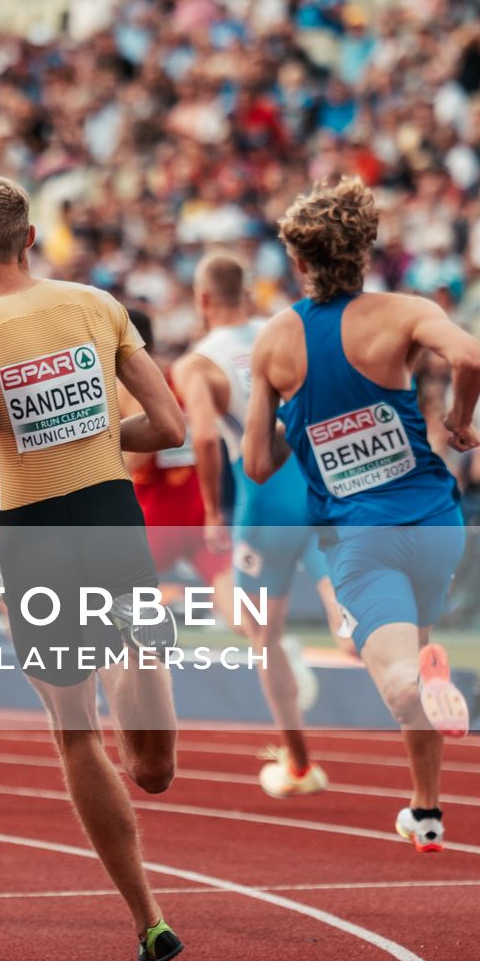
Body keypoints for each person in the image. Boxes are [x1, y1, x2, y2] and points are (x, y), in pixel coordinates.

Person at [0, 174, 188, 961]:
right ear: (31, 237)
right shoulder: (96, 305)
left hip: (33, 534)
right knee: (154, 770)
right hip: (112, 516)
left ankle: (149, 920)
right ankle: (136, 662)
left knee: (74, 731)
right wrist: (102, 440)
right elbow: (171, 426)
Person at [245, 177, 480, 853]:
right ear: (366, 247)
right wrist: (460, 421)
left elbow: (259, 464)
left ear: (299, 260)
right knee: (417, 655)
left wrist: (301, 415)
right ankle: (427, 809)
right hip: (437, 522)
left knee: (397, 675)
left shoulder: (275, 342)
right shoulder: (404, 311)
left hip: (363, 538)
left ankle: (421, 681)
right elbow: (470, 355)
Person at [173, 252, 328, 799]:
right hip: (321, 478)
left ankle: (300, 764)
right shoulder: (287, 329)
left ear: (203, 299)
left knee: (261, 633)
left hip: (264, 497)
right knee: (352, 616)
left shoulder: (197, 363)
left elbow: (207, 438)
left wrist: (213, 512)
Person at [117, 307, 232, 623]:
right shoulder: (183, 376)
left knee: (120, 616)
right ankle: (279, 650)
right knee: (239, 612)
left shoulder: (129, 385)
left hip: (153, 519)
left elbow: (143, 451)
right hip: (196, 511)